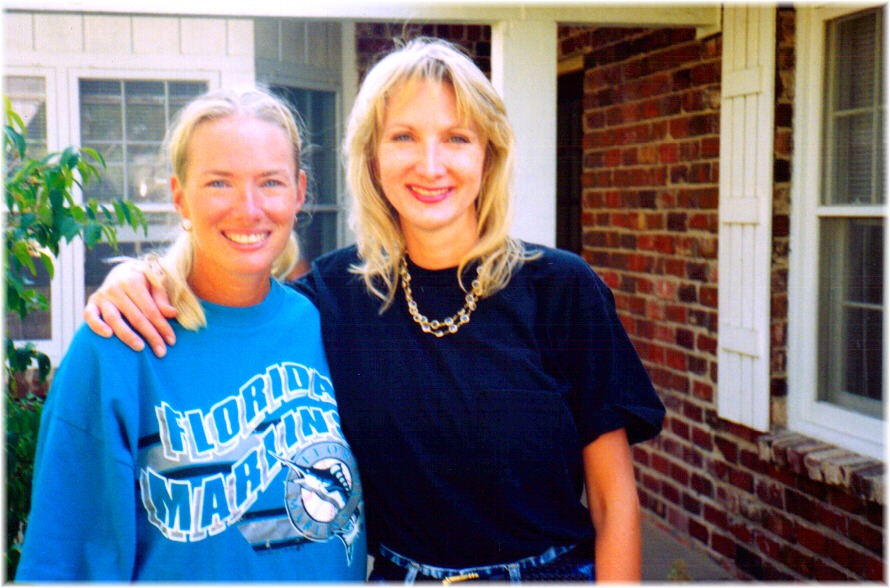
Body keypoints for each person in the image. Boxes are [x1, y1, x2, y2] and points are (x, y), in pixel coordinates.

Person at [84, 39, 665, 583]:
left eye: (457, 138)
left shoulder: (562, 290)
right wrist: (141, 274)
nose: (430, 165)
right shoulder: (331, 297)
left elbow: (613, 503)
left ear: (489, 155)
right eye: (404, 137)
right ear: (372, 157)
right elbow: (234, 299)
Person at [17, 88, 367, 581]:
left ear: (299, 192)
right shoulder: (118, 344)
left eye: (270, 182)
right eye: (220, 183)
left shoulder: (322, 322)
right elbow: (63, 565)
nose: (249, 208)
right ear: (180, 195)